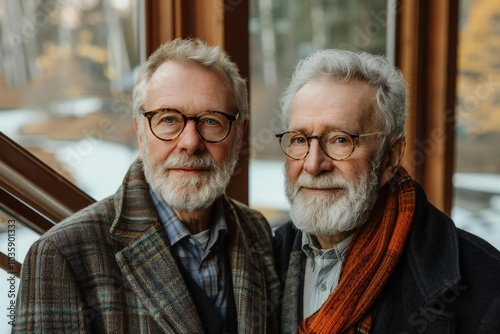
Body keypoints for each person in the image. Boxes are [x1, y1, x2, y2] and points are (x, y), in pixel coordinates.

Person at [14, 38, 279, 333]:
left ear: (239, 136)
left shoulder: (256, 230)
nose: (190, 143)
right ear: (140, 133)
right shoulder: (61, 256)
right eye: (168, 119)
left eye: (212, 121)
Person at [273, 49, 500, 334]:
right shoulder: (265, 255)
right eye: (299, 139)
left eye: (341, 140)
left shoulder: (485, 283)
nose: (313, 163)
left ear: (390, 157)